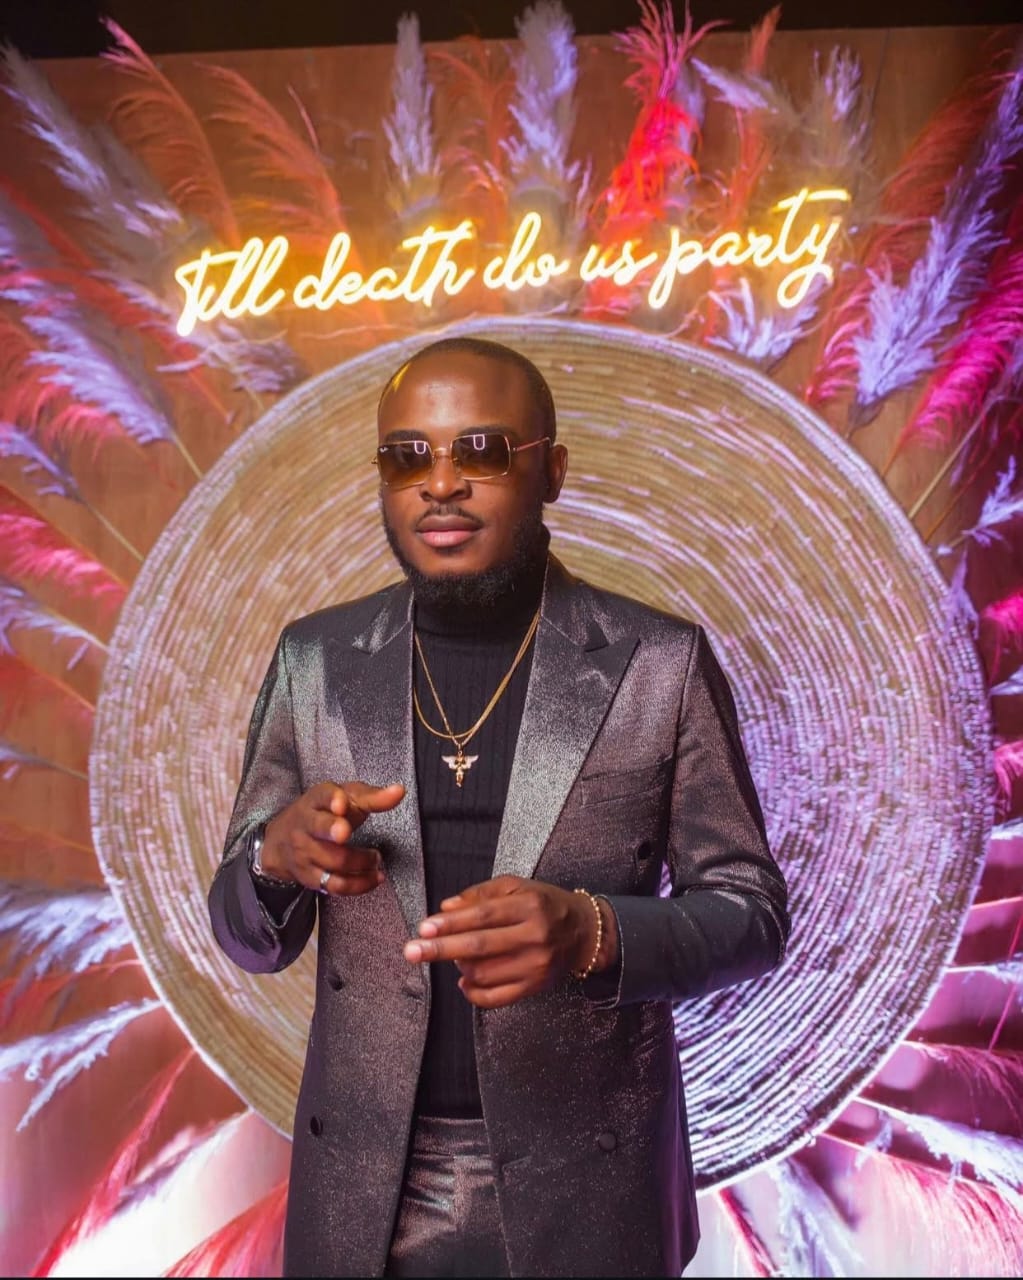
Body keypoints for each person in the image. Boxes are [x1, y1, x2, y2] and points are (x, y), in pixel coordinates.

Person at [207, 335, 790, 1278]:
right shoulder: (312, 663)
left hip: (591, 1188)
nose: (440, 484)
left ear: (550, 471)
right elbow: (247, 940)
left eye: (479, 451)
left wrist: (595, 932)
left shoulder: (659, 663)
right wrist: (274, 861)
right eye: (407, 457)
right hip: (362, 1191)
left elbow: (753, 916)